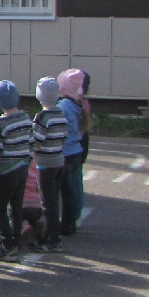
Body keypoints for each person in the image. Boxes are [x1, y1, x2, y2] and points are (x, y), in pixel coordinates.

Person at [0, 80, 34, 262]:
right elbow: (31, 144)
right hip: (22, 167)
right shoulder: (26, 119)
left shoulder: (0, 124)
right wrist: (27, 162)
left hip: (6, 170)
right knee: (16, 206)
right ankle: (15, 240)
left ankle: (6, 245)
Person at [30, 76, 68, 253]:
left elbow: (36, 142)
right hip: (59, 161)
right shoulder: (60, 115)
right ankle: (50, 234)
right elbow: (63, 137)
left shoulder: (42, 117)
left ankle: (53, 238)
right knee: (54, 200)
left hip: (45, 164)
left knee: (48, 203)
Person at [57, 68, 92, 236]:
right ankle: (74, 218)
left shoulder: (64, 106)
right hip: (78, 149)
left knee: (66, 190)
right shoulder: (80, 104)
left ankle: (67, 222)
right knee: (75, 185)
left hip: (66, 152)